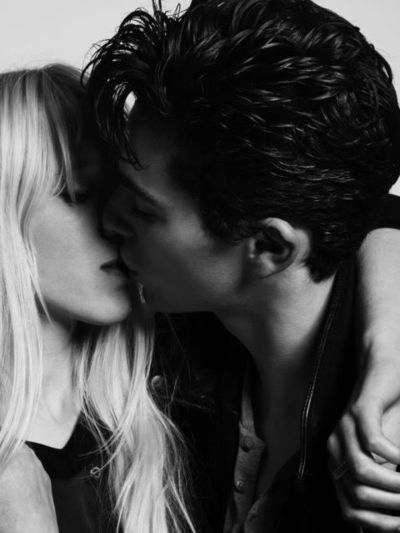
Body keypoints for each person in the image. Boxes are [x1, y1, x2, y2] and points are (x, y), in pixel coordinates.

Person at [85, 0, 400, 531]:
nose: (108, 218)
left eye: (144, 208)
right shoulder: (173, 350)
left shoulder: (385, 447)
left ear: (270, 248)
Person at [0, 64, 194, 533]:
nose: (116, 221)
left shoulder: (180, 380)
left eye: (129, 196)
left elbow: (335, 207)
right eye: (82, 193)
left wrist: (374, 350)